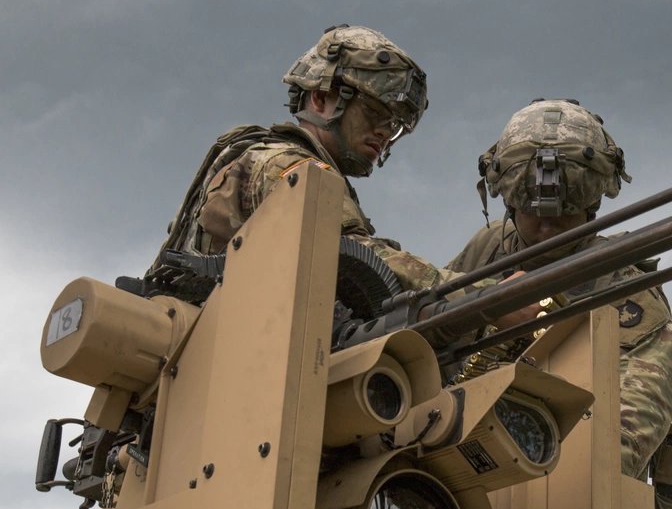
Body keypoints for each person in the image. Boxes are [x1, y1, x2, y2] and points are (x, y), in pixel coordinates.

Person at [147, 24, 533, 327]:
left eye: (395, 124)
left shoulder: (270, 160)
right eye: (375, 114)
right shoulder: (287, 167)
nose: (385, 132)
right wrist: (485, 296)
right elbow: (358, 259)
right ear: (321, 98)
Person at [447, 98, 672, 488]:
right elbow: (434, 337)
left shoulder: (624, 285)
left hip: (563, 488)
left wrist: (554, 485)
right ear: (507, 194)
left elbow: (635, 422)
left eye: (567, 205)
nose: (548, 223)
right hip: (462, 466)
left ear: (593, 199)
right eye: (533, 207)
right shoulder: (488, 250)